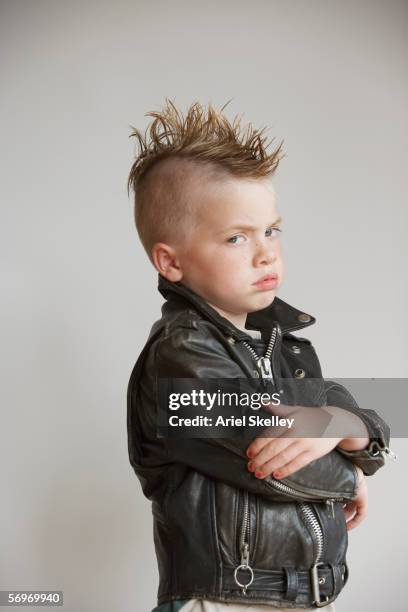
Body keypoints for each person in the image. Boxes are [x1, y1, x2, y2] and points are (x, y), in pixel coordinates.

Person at [126, 99, 391, 611]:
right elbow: (274, 461)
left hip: (307, 596)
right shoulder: (182, 354)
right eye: (235, 237)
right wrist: (351, 473)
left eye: (271, 230)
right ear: (171, 261)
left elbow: (380, 411)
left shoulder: (287, 346)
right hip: (225, 599)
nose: (266, 252)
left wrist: (339, 419)